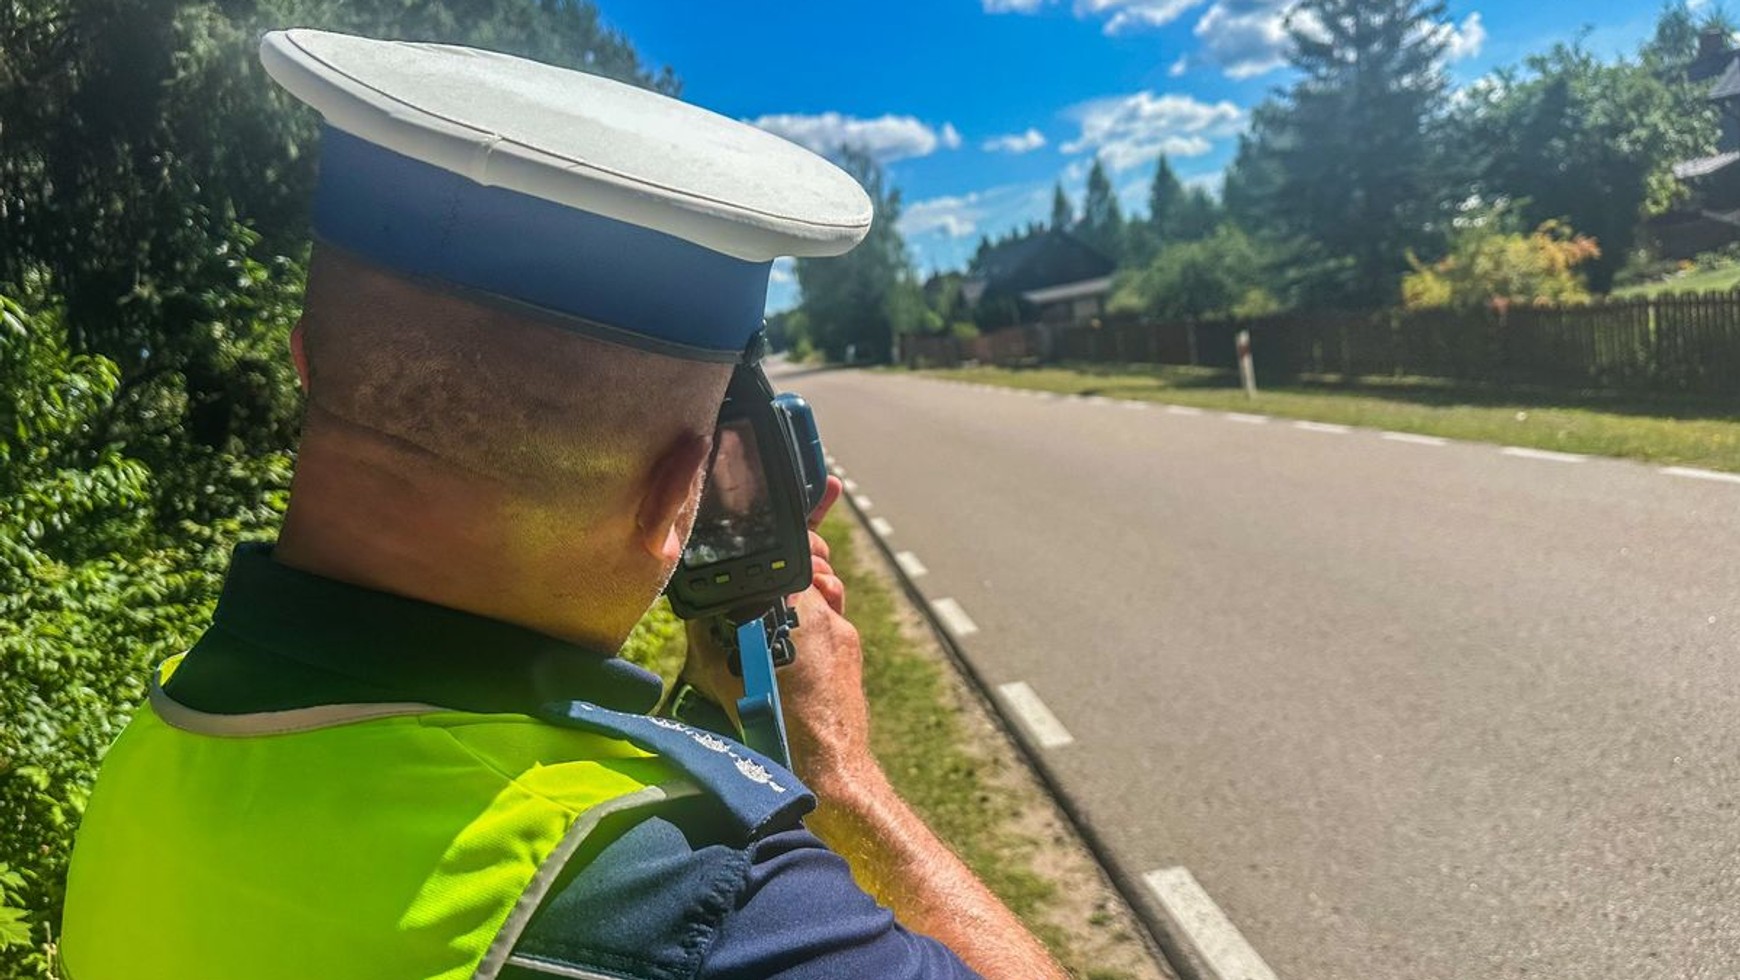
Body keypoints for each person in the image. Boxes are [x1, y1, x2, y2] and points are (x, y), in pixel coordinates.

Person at [59, 28, 1069, 980]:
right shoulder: (679, 894)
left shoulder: (163, 735)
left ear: (306, 365)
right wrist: (843, 778)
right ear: (674, 498)